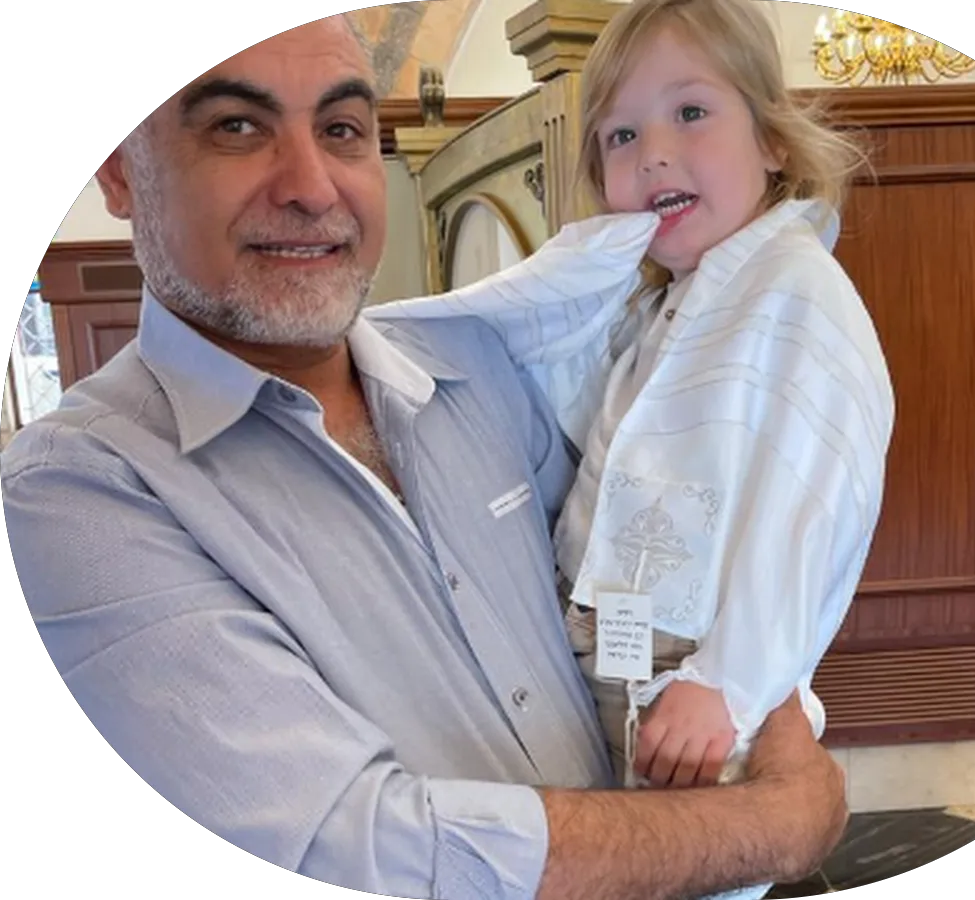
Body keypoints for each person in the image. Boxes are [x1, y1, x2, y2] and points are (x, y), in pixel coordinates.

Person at [2, 14, 850, 900]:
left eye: (342, 129)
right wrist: (769, 824)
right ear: (120, 172)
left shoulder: (476, 366)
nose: (312, 188)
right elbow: (362, 846)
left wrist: (758, 693)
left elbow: (649, 571)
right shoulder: (82, 489)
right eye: (237, 127)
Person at [375, 4, 892, 898]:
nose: (653, 152)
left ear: (773, 140)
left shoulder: (795, 291)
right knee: (623, 861)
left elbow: (812, 510)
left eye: (690, 112)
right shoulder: (668, 301)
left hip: (698, 674)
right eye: (621, 134)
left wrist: (730, 683)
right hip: (618, 659)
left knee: (691, 867)